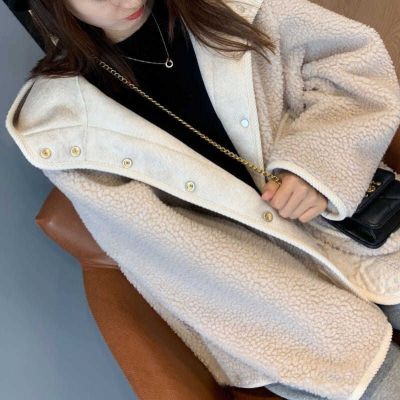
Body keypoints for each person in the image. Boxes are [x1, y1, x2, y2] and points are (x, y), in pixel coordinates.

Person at [4, 0, 400, 399]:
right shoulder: (62, 129)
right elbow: (173, 254)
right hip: (271, 305)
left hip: (364, 232)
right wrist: (311, 319)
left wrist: (316, 165)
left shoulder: (232, 7)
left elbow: (351, 61)